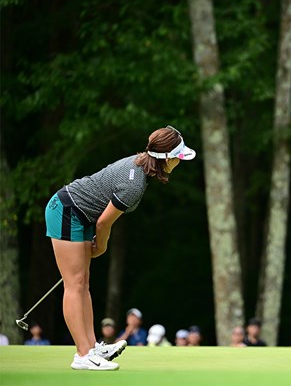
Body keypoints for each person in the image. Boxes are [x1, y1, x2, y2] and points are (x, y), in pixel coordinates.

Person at [44, 125, 195, 370]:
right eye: (178, 157)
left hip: (79, 215)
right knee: (75, 283)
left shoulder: (141, 165)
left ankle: (92, 347)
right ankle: (83, 355)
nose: (180, 162)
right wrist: (101, 245)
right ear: (166, 158)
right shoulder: (133, 185)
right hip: (66, 211)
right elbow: (104, 222)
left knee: (83, 283)